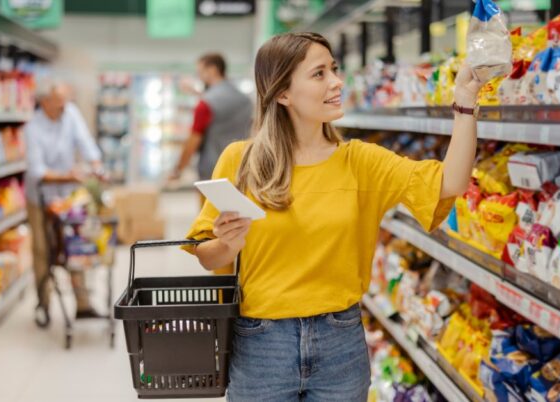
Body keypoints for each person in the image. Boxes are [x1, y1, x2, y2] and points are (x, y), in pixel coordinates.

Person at [182, 33, 483, 401]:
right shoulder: (241, 161)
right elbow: (206, 254)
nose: (337, 82)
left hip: (340, 343)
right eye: (319, 73)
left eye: (334, 70)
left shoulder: (360, 162)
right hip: (261, 345)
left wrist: (465, 105)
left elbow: (450, 181)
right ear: (283, 94)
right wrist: (226, 243)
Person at [24, 81, 105, 326]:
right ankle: (43, 303)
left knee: (75, 244)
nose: (63, 107)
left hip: (67, 196)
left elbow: (85, 141)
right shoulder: (33, 128)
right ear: (45, 102)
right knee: (42, 250)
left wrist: (96, 165)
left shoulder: (69, 113)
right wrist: (69, 175)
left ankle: (83, 304)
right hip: (40, 197)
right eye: (58, 103)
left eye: (65, 102)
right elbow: (38, 171)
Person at [169, 53, 253, 183]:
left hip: (213, 172)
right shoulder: (245, 100)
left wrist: (178, 169)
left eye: (200, 72)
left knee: (210, 204)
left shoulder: (205, 104)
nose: (199, 76)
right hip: (242, 168)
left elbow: (193, 140)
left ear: (212, 70)